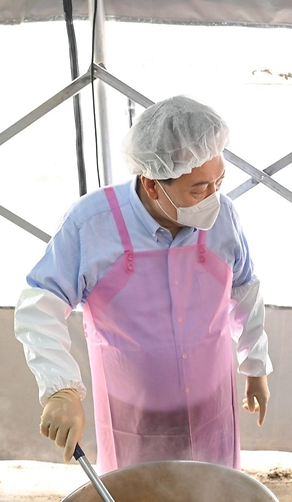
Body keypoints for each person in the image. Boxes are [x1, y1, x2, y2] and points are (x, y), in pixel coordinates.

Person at [14, 95, 271, 472]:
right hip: (132, 417)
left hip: (209, 406)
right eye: (199, 190)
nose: (213, 198)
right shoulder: (92, 223)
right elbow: (40, 305)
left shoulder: (224, 218)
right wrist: (61, 387)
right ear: (152, 185)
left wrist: (256, 366)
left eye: (219, 181)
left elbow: (244, 291)